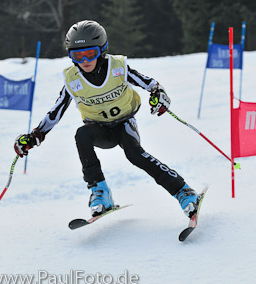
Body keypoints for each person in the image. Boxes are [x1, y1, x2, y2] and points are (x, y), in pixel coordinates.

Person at [14, 20, 200, 218]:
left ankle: (183, 190)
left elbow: (150, 84)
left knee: (135, 154)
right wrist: (35, 136)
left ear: (102, 50)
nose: (84, 60)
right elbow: (56, 111)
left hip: (125, 123)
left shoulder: (117, 67)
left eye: (90, 53)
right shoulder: (72, 79)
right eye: (77, 55)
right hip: (99, 129)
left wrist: (158, 94)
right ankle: (100, 192)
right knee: (82, 135)